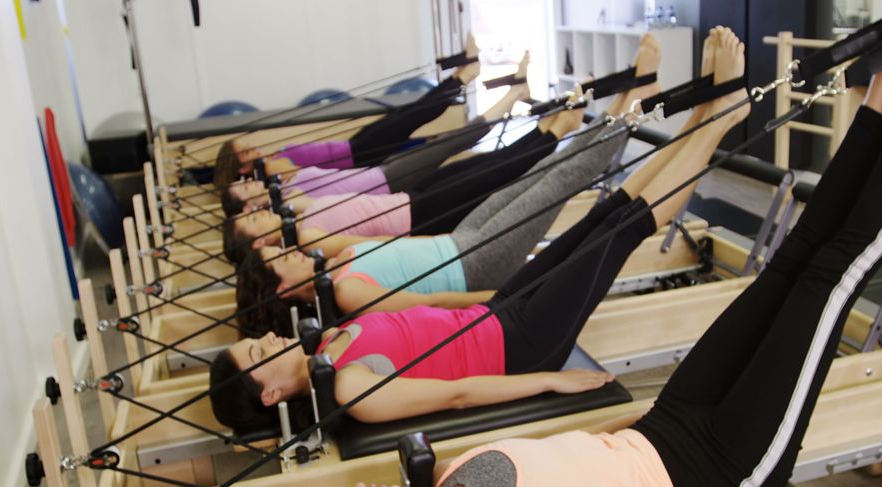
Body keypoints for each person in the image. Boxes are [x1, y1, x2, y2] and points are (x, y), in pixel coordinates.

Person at [288, 4, 882, 487]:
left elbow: (569, 467)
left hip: (660, 428)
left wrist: (625, 416)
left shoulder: (442, 482)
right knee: (827, 278)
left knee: (791, 259)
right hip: (712, 478)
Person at [207, 27, 743, 433]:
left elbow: (433, 311)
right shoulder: (347, 386)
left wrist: (504, 293)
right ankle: (721, 117)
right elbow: (457, 395)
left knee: (607, 213)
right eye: (258, 355)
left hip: (497, 313)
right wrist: (548, 380)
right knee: (621, 228)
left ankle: (705, 117)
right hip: (519, 346)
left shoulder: (328, 339)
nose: (267, 341)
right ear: (272, 393)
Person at [235, 109, 633, 337]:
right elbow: (429, 303)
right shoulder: (346, 294)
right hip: (476, 263)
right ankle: (629, 114)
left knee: (534, 177)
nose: (292, 252)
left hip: (459, 239)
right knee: (555, 185)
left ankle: (614, 118)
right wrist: (500, 300)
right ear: (284, 287)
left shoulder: (331, 263)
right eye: (282, 259)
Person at [221, 103, 583, 264]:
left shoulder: (292, 208)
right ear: (261, 241)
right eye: (252, 218)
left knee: (482, 166)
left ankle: (545, 131)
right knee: (492, 177)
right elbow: (372, 245)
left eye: (252, 212)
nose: (255, 209)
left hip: (405, 199)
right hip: (416, 219)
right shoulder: (306, 239)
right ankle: (554, 134)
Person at [221, 53, 535, 217]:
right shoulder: (285, 195)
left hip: (378, 173)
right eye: (245, 186)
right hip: (384, 184)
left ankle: (505, 91)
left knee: (443, 141)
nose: (253, 149)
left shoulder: (282, 184)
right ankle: (511, 95)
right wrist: (264, 178)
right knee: (450, 143)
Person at [212, 33, 483, 192]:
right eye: (247, 152)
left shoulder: (270, 160)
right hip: (357, 159)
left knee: (409, 113)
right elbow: (302, 175)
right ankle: (464, 77)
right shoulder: (271, 173)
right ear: (244, 168)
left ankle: (460, 74)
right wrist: (267, 168)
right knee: (414, 117)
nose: (255, 149)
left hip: (351, 146)